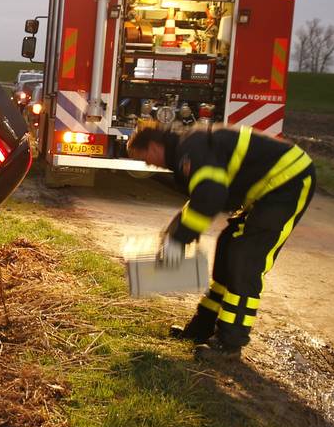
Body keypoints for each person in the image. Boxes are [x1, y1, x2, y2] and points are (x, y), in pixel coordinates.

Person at [127, 125, 316, 357]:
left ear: (155, 146)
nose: (149, 164)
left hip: (288, 183)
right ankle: (202, 328)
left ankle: (230, 343)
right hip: (267, 190)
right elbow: (200, 200)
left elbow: (209, 197)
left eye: (145, 157)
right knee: (228, 250)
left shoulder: (190, 151)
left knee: (246, 259)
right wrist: (174, 236)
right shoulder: (188, 148)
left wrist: (178, 241)